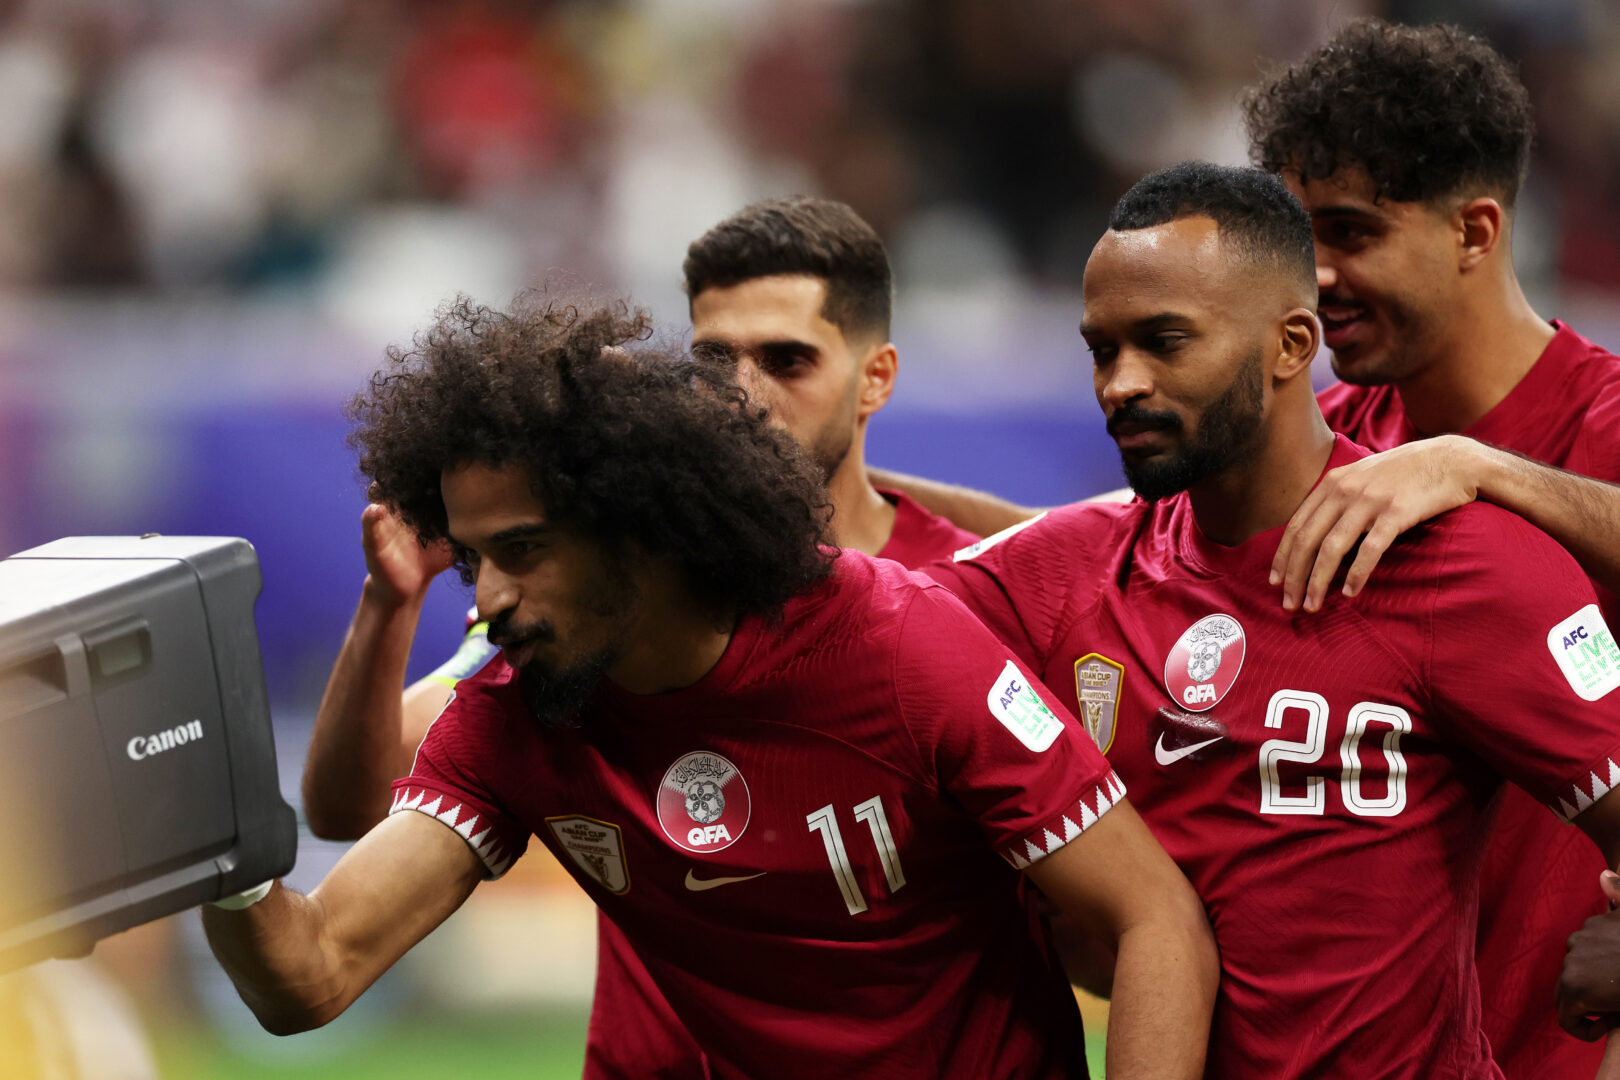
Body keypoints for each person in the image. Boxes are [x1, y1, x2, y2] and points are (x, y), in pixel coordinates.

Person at [210, 295, 1217, 1080]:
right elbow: (312, 972)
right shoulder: (516, 707)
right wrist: (212, 841)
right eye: (474, 559)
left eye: (524, 550)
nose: (490, 598)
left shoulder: (904, 647)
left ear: (640, 527)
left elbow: (1155, 919)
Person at [874, 22, 1620, 1073]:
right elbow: (1123, 552)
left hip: (1551, 1030)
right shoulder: (1330, 430)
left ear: (1475, 231)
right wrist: (859, 493)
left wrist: (1487, 470)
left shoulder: (1565, 452)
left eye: (1350, 232)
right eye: (1298, 233)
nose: (1316, 272)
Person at [298, 197, 979, 1076]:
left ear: (874, 377)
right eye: (714, 360)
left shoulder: (963, 591)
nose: (745, 391)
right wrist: (388, 606)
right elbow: (350, 808)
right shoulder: (608, 600)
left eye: (787, 360)